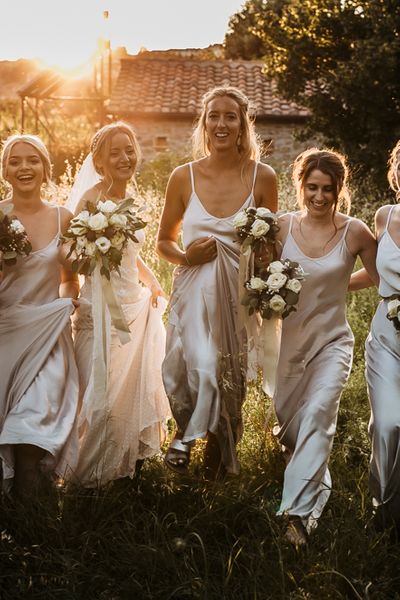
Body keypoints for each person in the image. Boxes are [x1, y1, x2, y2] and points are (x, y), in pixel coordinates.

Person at [157, 86, 278, 478]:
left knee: (226, 376)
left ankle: (216, 467)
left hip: (234, 299)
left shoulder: (264, 177)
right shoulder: (183, 177)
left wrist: (263, 260)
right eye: (214, 116)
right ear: (204, 123)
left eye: (230, 116)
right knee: (187, 369)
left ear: (243, 125)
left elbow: (270, 248)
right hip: (191, 293)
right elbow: (163, 242)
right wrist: (185, 256)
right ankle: (184, 435)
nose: (221, 124)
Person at [274, 148, 379, 546]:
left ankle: (298, 517)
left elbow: (379, 276)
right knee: (292, 430)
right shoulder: (281, 227)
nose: (319, 197)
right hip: (288, 346)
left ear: (340, 190)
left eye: (328, 190)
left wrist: (339, 285)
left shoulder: (354, 231)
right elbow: (258, 276)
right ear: (300, 186)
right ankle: (297, 452)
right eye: (312, 187)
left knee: (319, 414)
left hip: (333, 342)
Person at [68, 122, 170, 487]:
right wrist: (94, 252)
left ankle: (124, 475)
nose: (125, 158)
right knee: (101, 402)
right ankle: (87, 481)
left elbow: (130, 254)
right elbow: (69, 257)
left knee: (135, 393)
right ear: (99, 160)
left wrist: (153, 280)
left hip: (135, 308)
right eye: (115, 152)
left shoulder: (133, 197)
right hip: (99, 312)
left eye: (129, 149)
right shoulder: (89, 200)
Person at [0, 134, 79, 497]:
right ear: (5, 171)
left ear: (46, 168)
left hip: (48, 335)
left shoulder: (64, 218)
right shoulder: (0, 215)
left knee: (32, 420)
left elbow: (68, 280)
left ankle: (34, 522)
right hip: (6, 332)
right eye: (15, 161)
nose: (24, 167)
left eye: (32, 160)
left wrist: (67, 304)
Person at [361, 140, 400, 531]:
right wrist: (324, 276)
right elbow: (371, 272)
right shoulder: (383, 216)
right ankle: (382, 507)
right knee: (386, 423)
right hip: (385, 334)